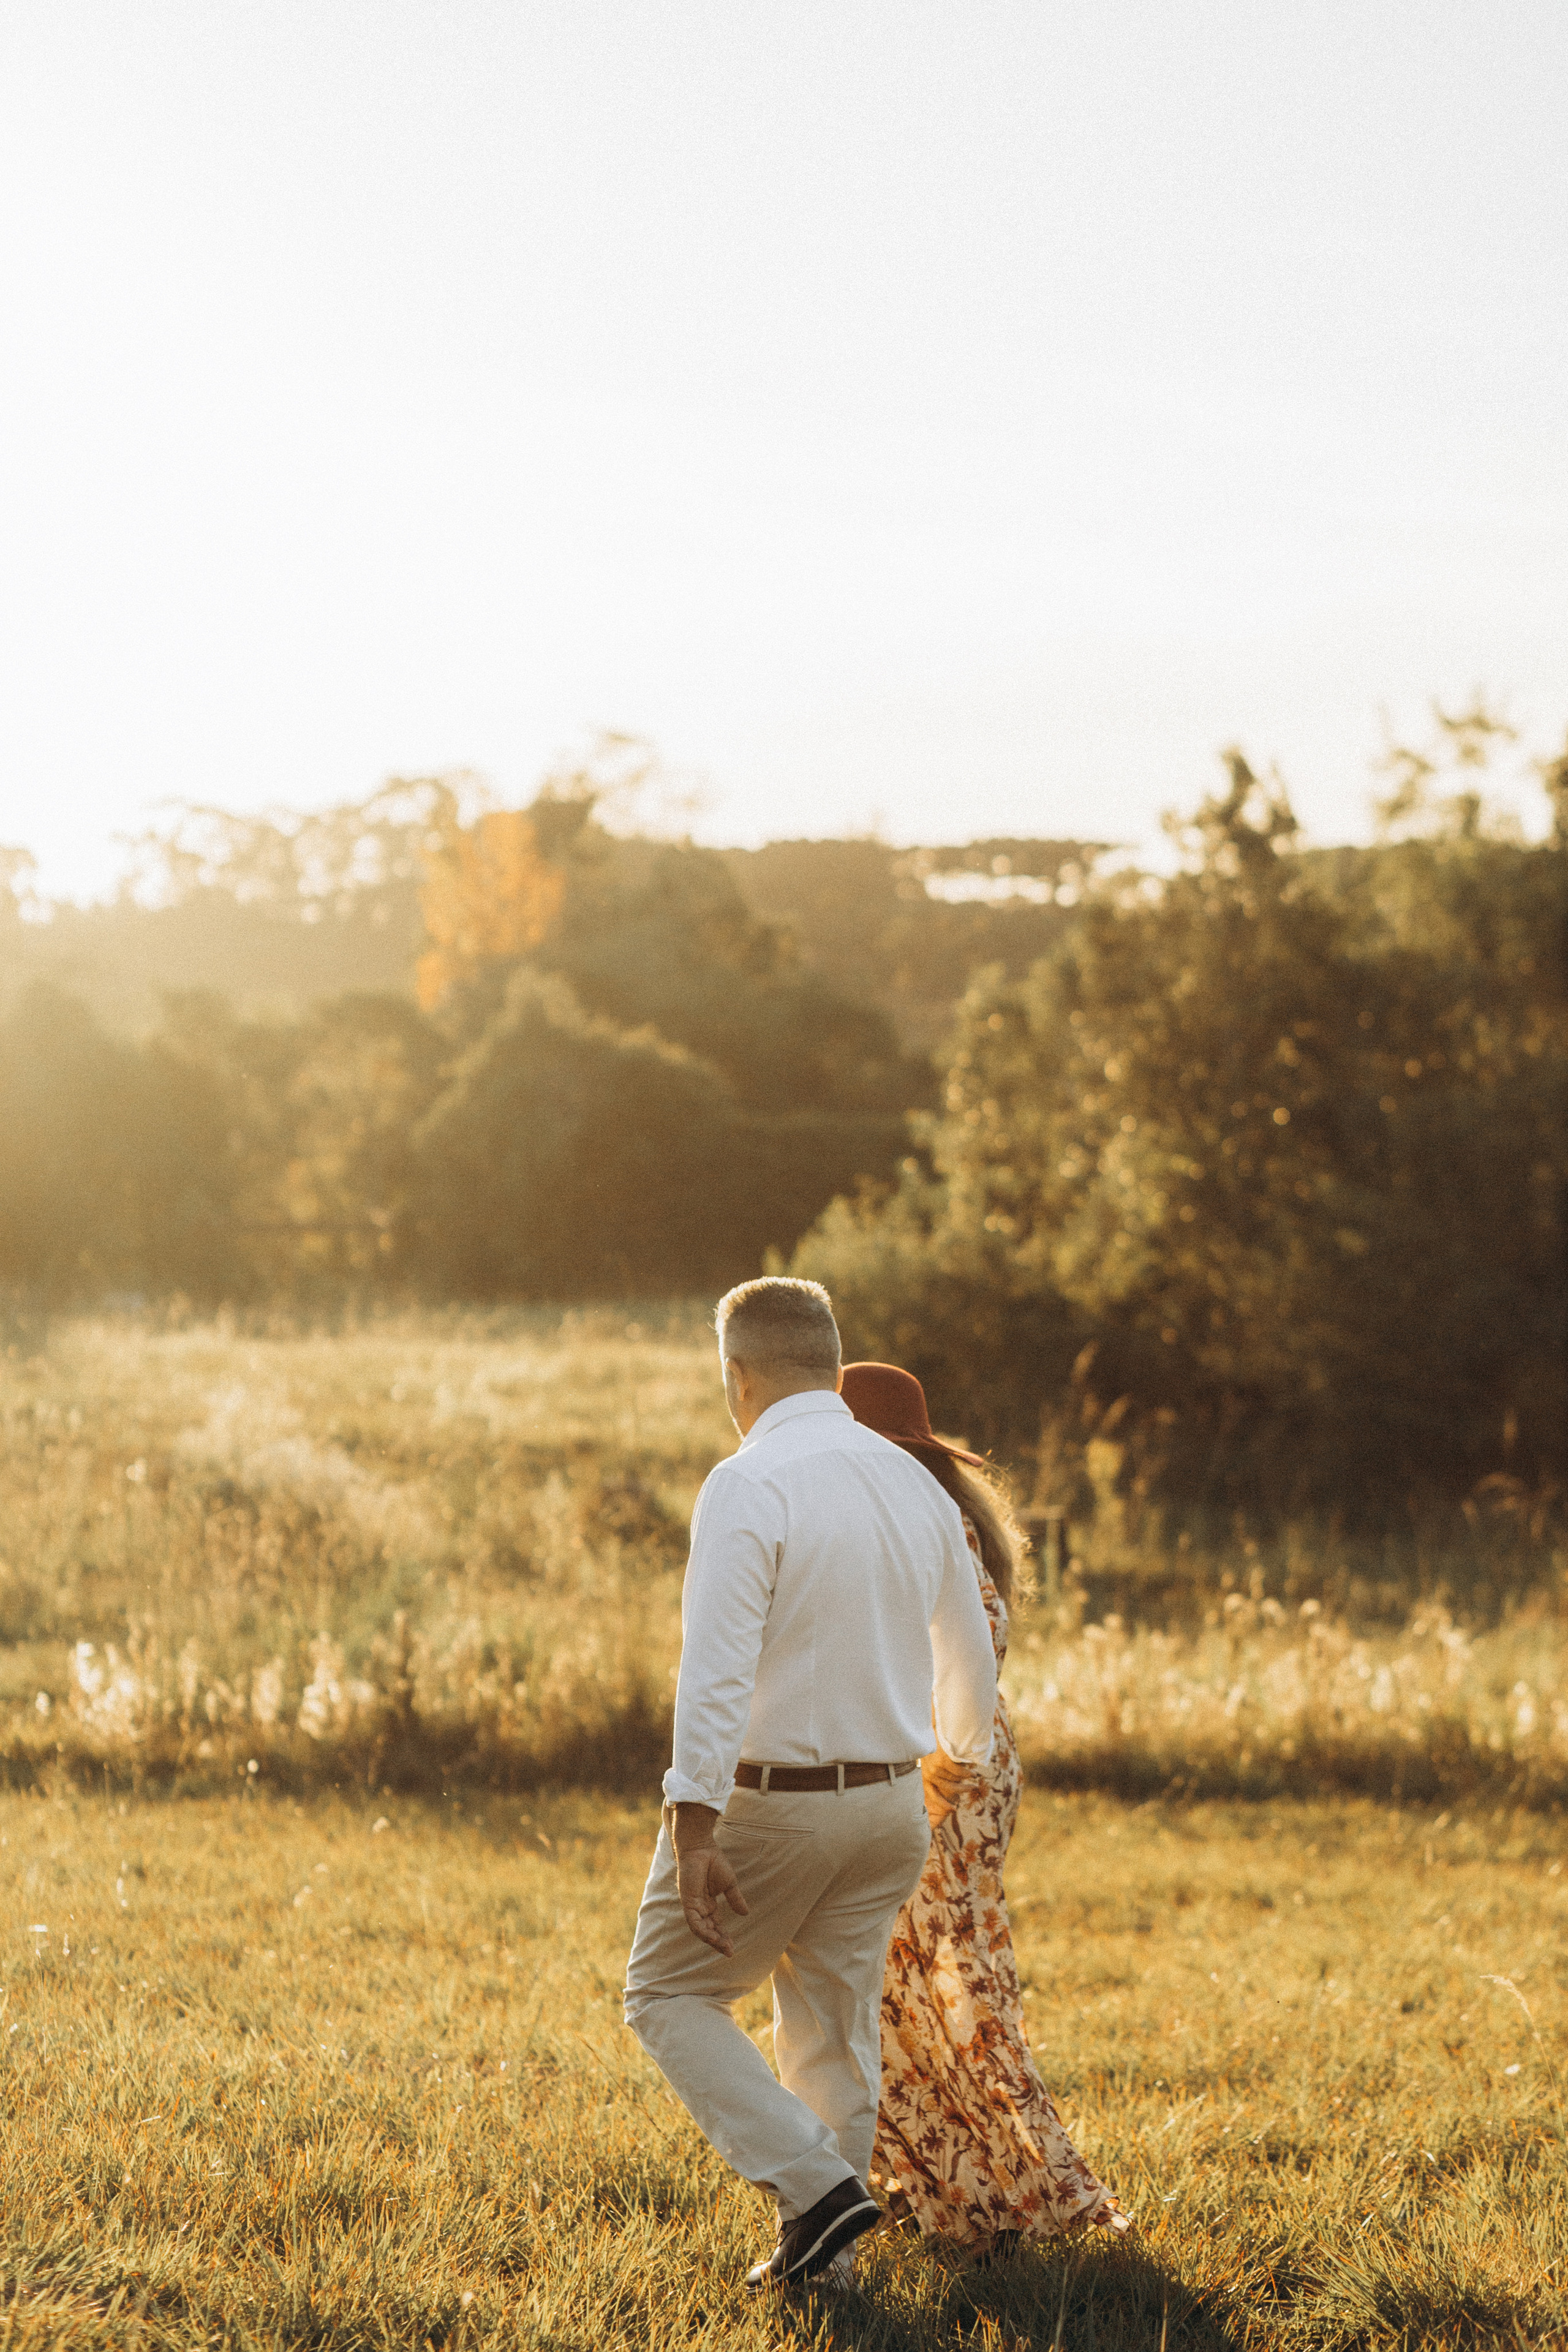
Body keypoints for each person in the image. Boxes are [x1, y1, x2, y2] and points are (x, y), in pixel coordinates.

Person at [624, 1279, 998, 2293]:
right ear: (832, 1367)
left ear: (736, 1377)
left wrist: (694, 1826)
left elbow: (715, 1672)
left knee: (666, 1993)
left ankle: (817, 2188)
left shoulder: (749, 1481)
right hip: (891, 1806)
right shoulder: (915, 1483)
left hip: (771, 1803)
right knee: (834, 2028)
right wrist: (959, 1754)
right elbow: (969, 1658)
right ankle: (821, 2265)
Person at [839, 1360, 1130, 2256]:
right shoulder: (936, 1516)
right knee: (897, 1979)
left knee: (953, 1979)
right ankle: (935, 2182)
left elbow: (955, 1655)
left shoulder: (926, 1525)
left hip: (946, 1770)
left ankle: (1033, 2189)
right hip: (948, 1762)